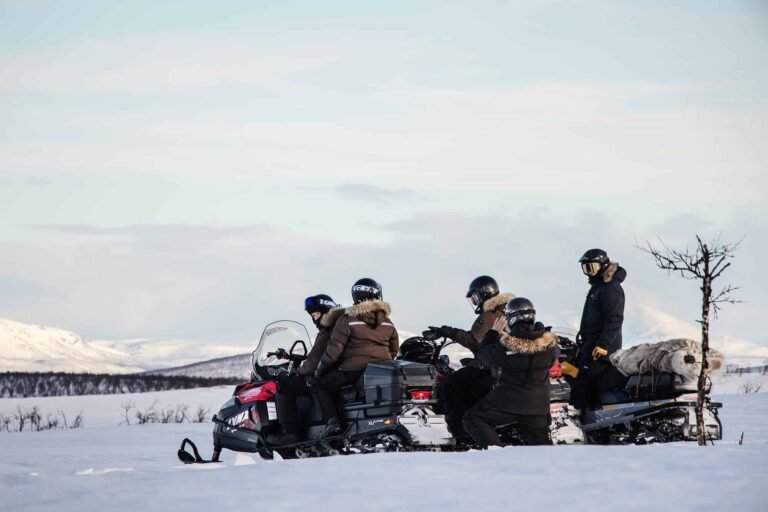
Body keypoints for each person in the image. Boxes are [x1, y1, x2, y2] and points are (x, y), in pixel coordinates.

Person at [462, 297, 557, 448]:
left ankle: (498, 454)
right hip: (539, 405)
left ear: (511, 319)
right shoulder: (550, 346)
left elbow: (484, 356)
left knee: (473, 418)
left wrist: (493, 333)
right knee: (542, 449)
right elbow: (534, 352)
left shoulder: (506, 347)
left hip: (509, 401)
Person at [426, 276, 515, 436]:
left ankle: (459, 429)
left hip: (488, 367)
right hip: (502, 366)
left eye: (475, 298)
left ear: (484, 294)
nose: (475, 302)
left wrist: (446, 331)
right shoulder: (504, 311)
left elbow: (474, 341)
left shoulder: (489, 314)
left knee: (449, 385)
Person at [312, 278, 399, 438]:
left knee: (320, 385)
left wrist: (320, 369)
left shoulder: (347, 319)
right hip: (380, 370)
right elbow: (394, 350)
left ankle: (334, 423)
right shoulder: (387, 322)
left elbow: (334, 350)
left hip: (353, 369)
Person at [266, 294, 344, 445]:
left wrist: (300, 370)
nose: (314, 319)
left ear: (326, 312)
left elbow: (315, 360)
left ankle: (289, 432)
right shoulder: (337, 327)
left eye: (316, 314)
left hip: (322, 375)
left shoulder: (327, 331)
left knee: (284, 385)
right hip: (331, 372)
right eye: (312, 315)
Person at [563, 248, 627, 409]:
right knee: (574, 373)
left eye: (591, 268)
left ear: (603, 266)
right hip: (590, 347)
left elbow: (615, 318)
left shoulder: (610, 288)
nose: (588, 273)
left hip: (601, 351)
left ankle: (581, 422)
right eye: (585, 269)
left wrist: (603, 345)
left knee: (582, 382)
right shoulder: (598, 287)